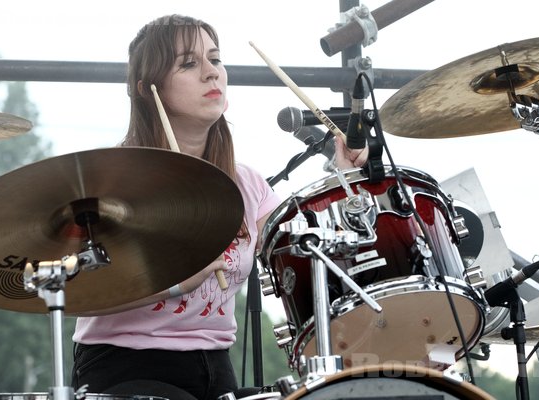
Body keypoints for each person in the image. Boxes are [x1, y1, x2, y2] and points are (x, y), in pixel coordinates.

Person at [71, 13, 367, 400]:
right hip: (126, 365)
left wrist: (343, 179)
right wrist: (176, 282)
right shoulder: (114, 178)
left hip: (215, 366)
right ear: (148, 89)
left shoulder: (247, 184)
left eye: (216, 59)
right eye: (189, 64)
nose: (212, 73)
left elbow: (301, 252)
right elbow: (81, 288)